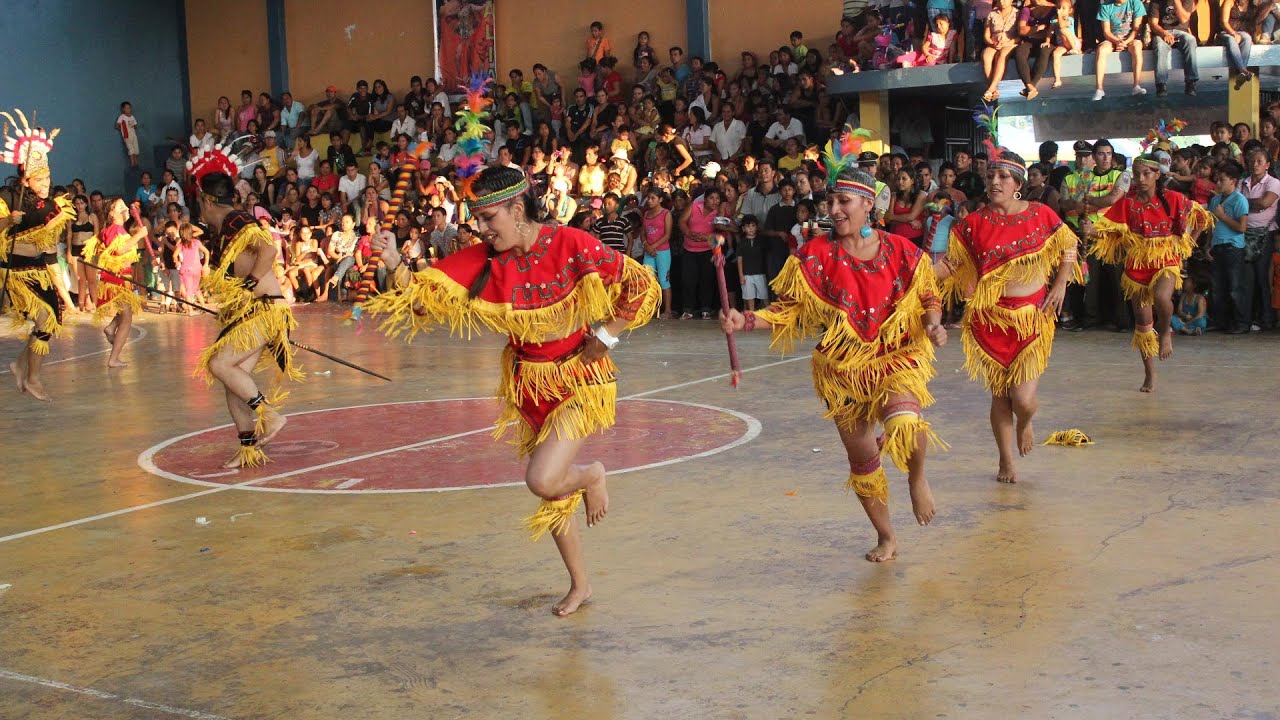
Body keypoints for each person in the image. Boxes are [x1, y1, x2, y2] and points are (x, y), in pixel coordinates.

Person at [366, 165, 659, 616]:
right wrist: (392, 263)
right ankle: (580, 584)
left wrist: (608, 335)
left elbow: (639, 284)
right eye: (478, 220)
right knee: (553, 492)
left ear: (517, 208)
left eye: (489, 219)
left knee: (543, 479)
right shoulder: (484, 258)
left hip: (579, 379)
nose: (481, 230)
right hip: (527, 386)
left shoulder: (570, 244)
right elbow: (425, 301)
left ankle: (593, 473)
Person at [720, 133, 947, 563]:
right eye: (831, 202)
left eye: (844, 202)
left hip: (895, 356)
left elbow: (929, 294)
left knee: (904, 424)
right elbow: (787, 310)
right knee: (863, 459)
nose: (835, 209)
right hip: (841, 369)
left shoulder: (901, 250)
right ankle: (886, 535)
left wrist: (933, 324)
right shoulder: (815, 254)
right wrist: (746, 319)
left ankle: (918, 478)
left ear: (868, 206)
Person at [936, 145, 1080, 484]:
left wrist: (1060, 283)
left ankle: (1026, 421)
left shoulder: (1041, 214)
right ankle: (1006, 461)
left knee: (1023, 399)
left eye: (1003, 177)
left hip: (1031, 318)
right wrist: (913, 276)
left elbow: (1068, 244)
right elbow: (950, 264)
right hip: (990, 321)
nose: (995, 182)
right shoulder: (974, 223)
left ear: (1018, 183)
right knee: (1000, 396)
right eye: (991, 176)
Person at [189, 147, 302, 468]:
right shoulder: (220, 232)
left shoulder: (236, 219)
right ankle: (248, 448)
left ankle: (270, 414)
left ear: (209, 200)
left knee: (219, 365)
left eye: (200, 201)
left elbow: (269, 247)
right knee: (232, 381)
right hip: (250, 313)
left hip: (266, 309)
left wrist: (252, 282)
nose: (198, 206)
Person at [1088, 153, 1212, 391]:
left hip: (1166, 258)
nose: (1141, 178)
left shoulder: (1173, 198)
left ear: (1157, 175)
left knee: (1162, 296)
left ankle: (1166, 331)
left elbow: (1201, 218)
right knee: (1143, 324)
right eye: (1137, 174)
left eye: (1147, 174)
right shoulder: (1128, 202)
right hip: (1136, 264)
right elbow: (1112, 231)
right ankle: (1149, 373)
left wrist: (1187, 245)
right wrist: (1092, 231)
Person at [1, 112, 77, 401]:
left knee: (51, 320)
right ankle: (31, 377)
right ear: (26, 175)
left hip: (38, 268)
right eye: (40, 178)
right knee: (44, 318)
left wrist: (64, 292)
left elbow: (47, 251)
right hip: (16, 271)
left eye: (48, 177)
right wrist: (8, 221)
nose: (46, 183)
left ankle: (22, 365)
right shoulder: (8, 196)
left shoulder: (46, 206)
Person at [82, 199, 146, 368]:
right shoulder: (115, 229)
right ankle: (113, 358)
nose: (125, 208)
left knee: (125, 311)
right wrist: (139, 236)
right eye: (120, 207)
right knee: (127, 318)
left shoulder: (114, 229)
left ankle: (111, 328)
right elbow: (119, 250)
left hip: (120, 278)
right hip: (116, 279)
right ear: (112, 213)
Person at [1093, 0, 1148, 100]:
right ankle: (1099, 89)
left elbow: (1136, 29)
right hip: (1112, 38)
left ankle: (1136, 85)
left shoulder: (1136, 3)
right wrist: (1117, 41)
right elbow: (1106, 32)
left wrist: (1125, 42)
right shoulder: (1105, 6)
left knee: (1137, 46)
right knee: (1101, 50)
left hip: (1130, 38)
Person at [117, 101, 140, 167]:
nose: (128, 110)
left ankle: (136, 163)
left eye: (129, 108)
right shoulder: (122, 117)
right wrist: (122, 129)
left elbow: (135, 126)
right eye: (126, 108)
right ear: (123, 109)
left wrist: (132, 125)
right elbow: (117, 125)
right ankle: (132, 164)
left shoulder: (132, 117)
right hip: (127, 136)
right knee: (131, 149)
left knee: (136, 149)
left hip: (133, 135)